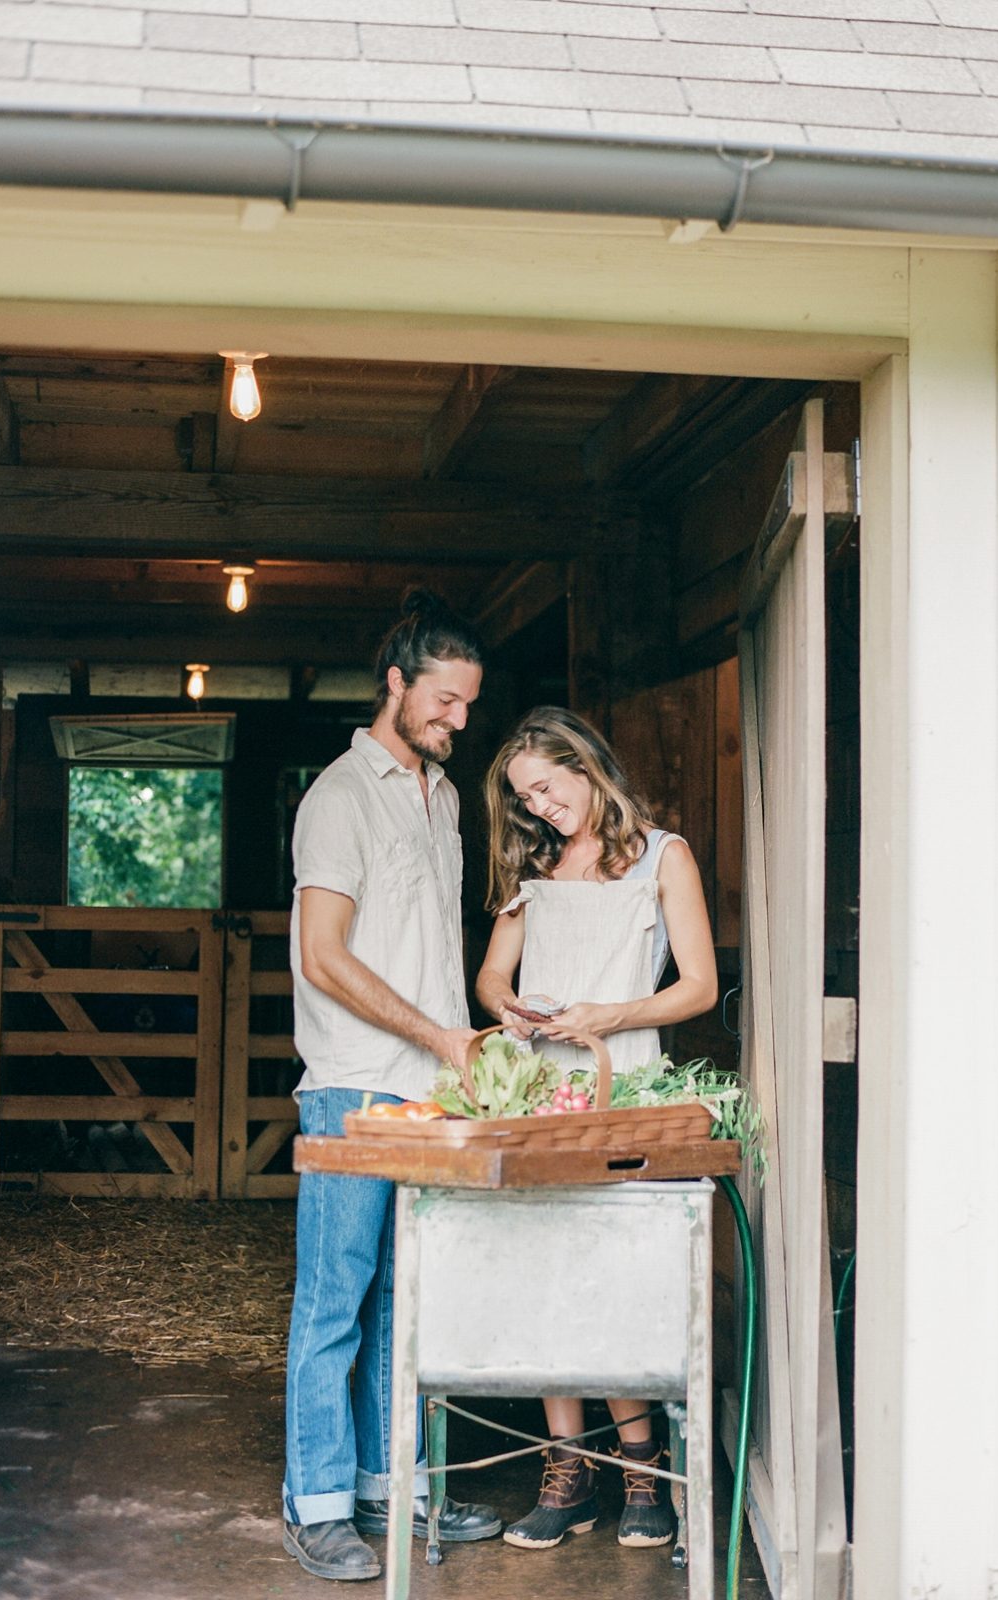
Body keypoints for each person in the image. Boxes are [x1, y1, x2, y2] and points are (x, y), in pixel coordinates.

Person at [282, 591, 501, 1583]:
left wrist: (464, 1046)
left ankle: (398, 1490)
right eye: (445, 702)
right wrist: (437, 1036)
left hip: (433, 1089)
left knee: (405, 1304)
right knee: (338, 1296)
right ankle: (317, 1504)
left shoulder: (444, 798)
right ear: (397, 683)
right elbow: (324, 958)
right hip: (355, 1085)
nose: (459, 721)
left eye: (468, 706)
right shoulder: (337, 797)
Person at [475, 706, 718, 1552]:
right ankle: (567, 1469)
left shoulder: (662, 855)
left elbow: (698, 985)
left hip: (626, 1084)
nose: (538, 807)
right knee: (547, 1278)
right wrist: (512, 1012)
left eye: (546, 786)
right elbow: (490, 976)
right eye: (524, 797)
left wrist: (611, 1015)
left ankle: (641, 1464)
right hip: (539, 1088)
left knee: (617, 1277)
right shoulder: (535, 864)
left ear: (583, 766)